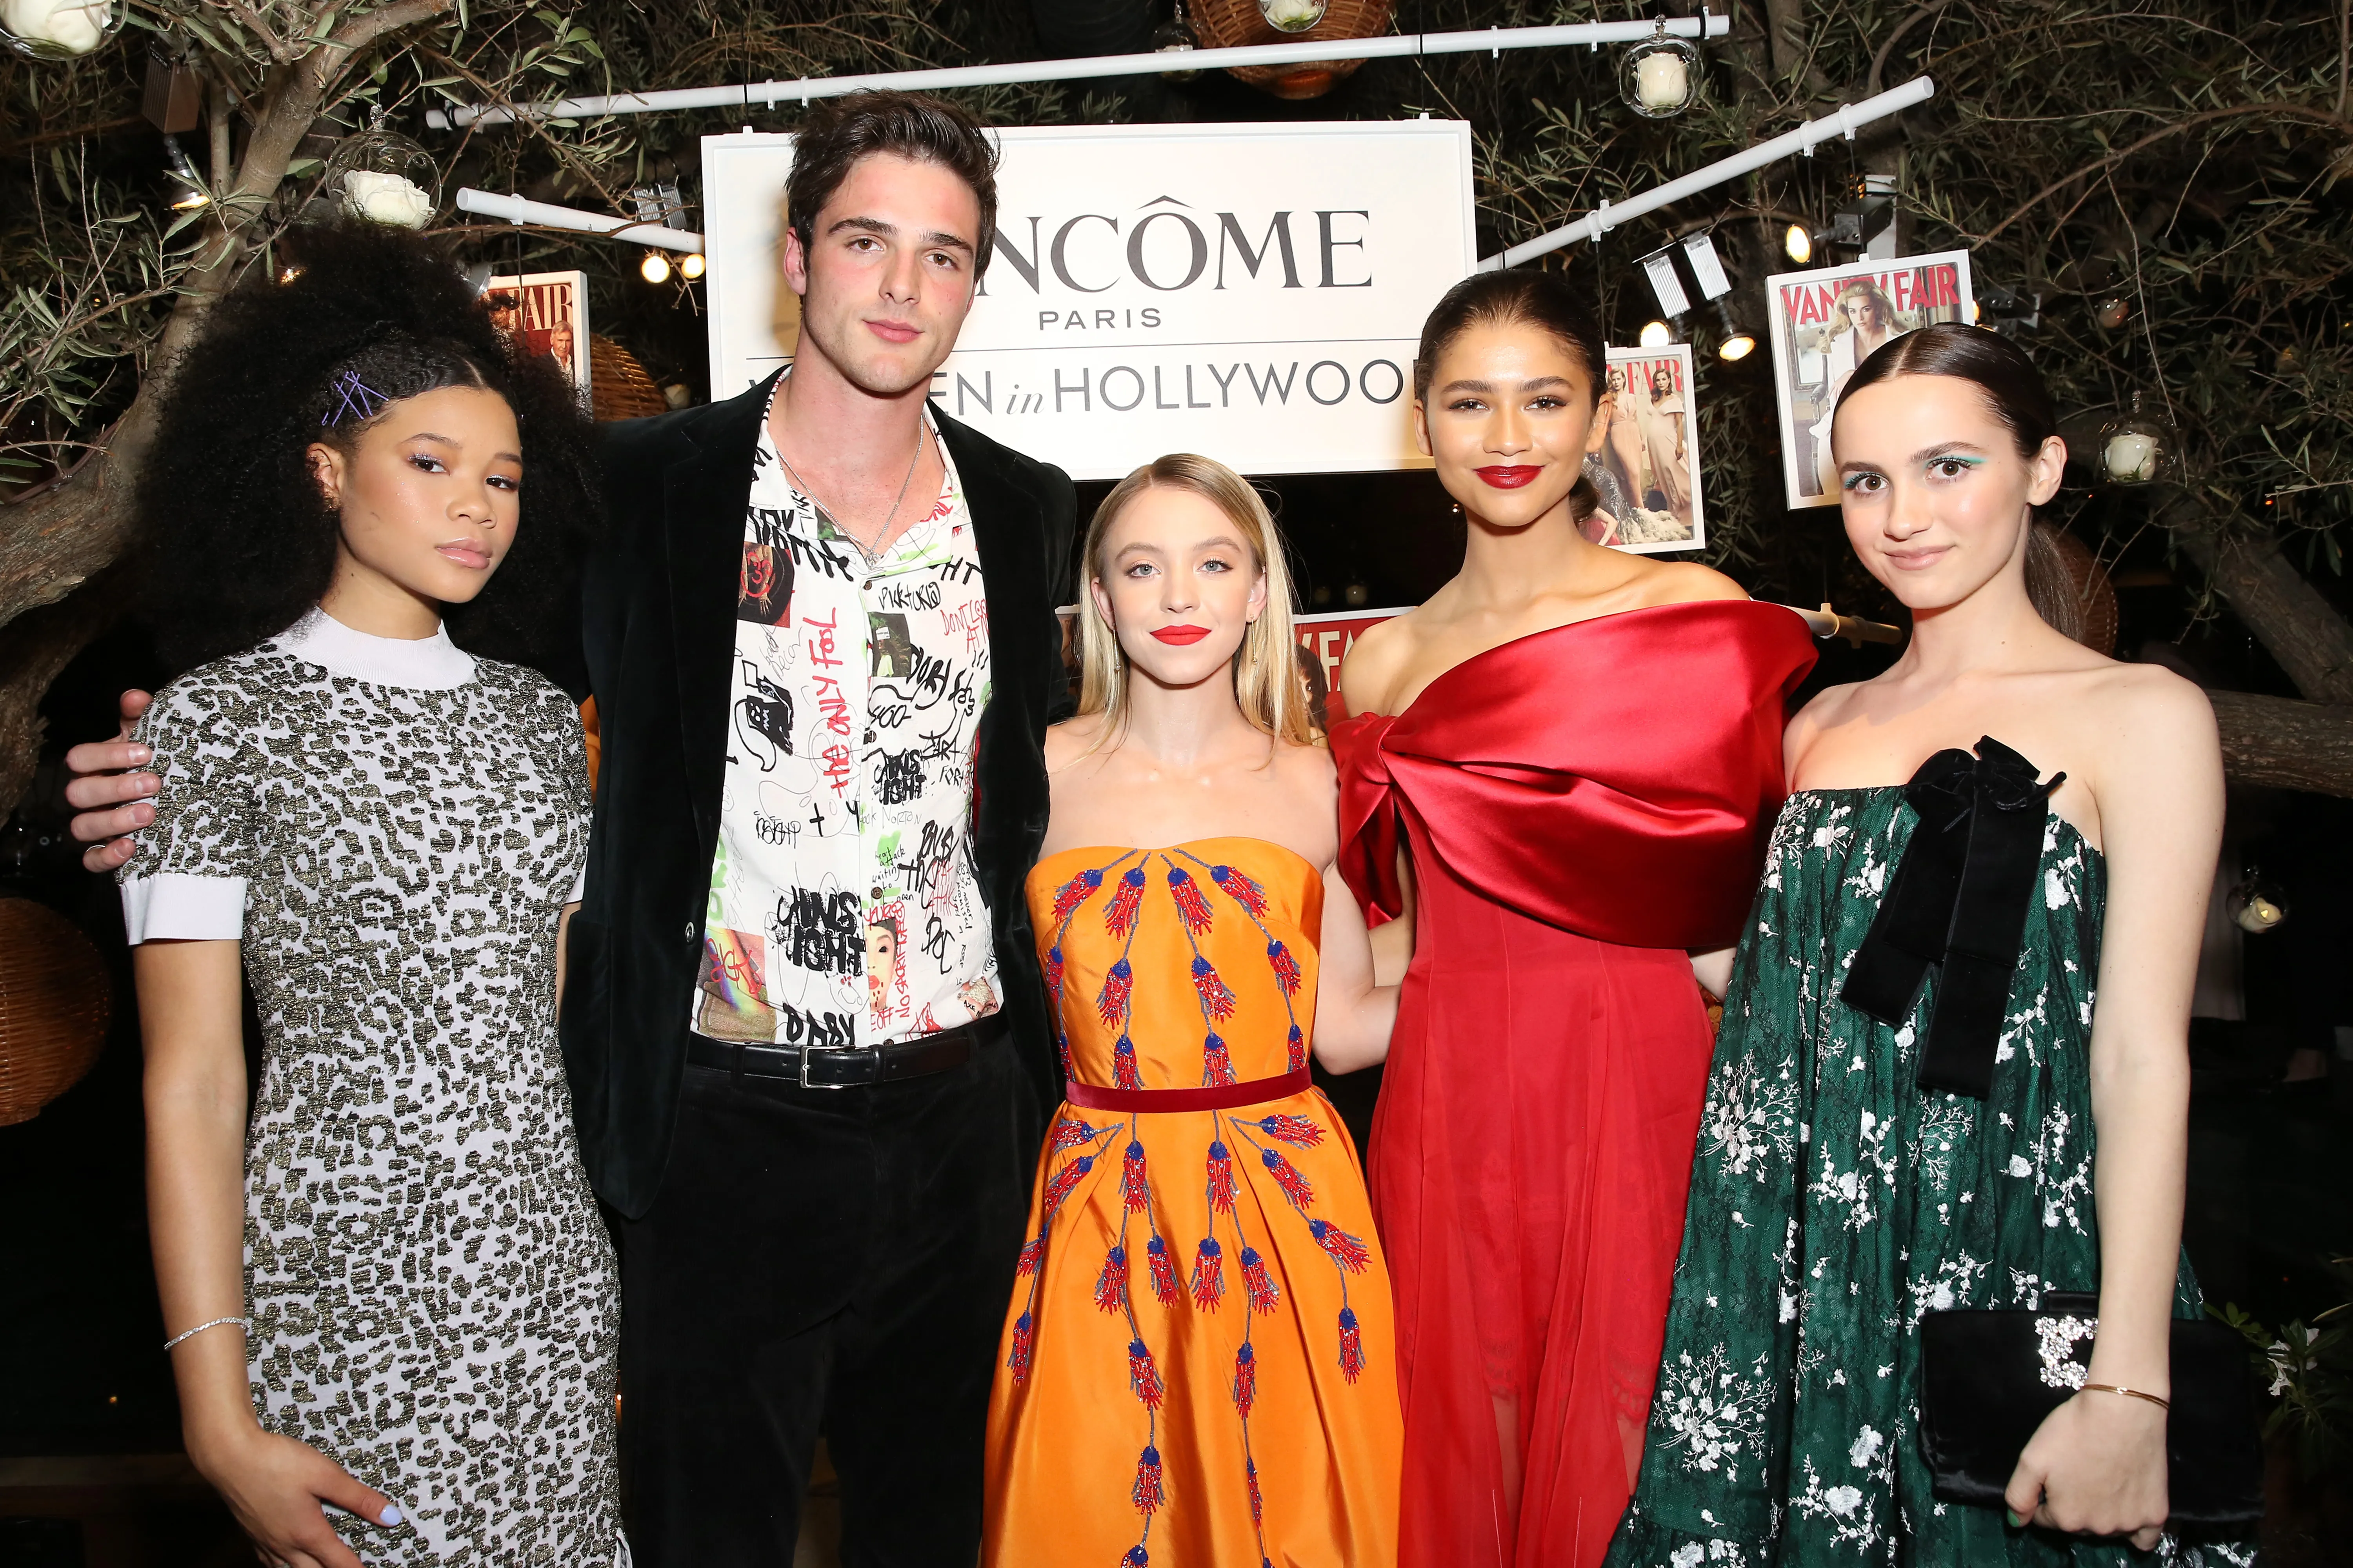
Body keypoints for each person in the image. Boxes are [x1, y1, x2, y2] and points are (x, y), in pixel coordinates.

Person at [68, 91, 1076, 1568]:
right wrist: (150, 753)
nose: (903, 285)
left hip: (959, 1124)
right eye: (867, 241)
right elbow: (399, 648)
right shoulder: (638, 488)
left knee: (939, 1533)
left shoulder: (1023, 506)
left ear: (974, 283)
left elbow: (1036, 794)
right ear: (799, 255)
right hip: (719, 1120)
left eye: (944, 254)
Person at [1606, 324, 2254, 1565]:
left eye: (1947, 466)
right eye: (1864, 481)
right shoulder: (1814, 725)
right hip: (1799, 1263)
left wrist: (2127, 1388)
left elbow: (2136, 1062)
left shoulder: (2141, 716)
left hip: (2013, 1252)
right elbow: (1778, 1004)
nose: (1901, 515)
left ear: (2044, 467)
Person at [116, 222, 617, 1567]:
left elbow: (544, 1034)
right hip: (331, 1299)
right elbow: (194, 1082)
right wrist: (217, 1420)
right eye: (432, 463)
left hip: (546, 1293)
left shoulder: (534, 723)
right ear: (327, 471)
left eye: (505, 476)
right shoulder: (213, 724)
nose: (477, 504)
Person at [1330, 269, 1817, 1568]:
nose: (1507, 437)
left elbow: (1749, 904)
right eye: (1471, 402)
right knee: (1467, 1427)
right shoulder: (1381, 661)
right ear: (1421, 424)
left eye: (1544, 399)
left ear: (1601, 416)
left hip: (1636, 1070)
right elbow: (1403, 928)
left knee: (1631, 1420)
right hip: (1450, 1088)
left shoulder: (1691, 614)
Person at [984, 455, 1403, 1568]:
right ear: (1102, 599)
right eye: (1144, 566)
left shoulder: (1325, 782)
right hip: (1098, 1198)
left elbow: (1347, 1024)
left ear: (1259, 591)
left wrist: (1534, 969)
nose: (1180, 597)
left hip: (1289, 1200)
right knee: (1096, 1506)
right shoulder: (1029, 774)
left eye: (1214, 563)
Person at [1809, 277, 1902, 496]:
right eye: (1852, 311)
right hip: (1851, 412)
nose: (1859, 318)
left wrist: (1854, 374)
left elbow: (1901, 382)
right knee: (1826, 447)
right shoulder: (1839, 343)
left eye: (1866, 309)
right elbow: (1836, 393)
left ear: (1878, 308)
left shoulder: (1898, 338)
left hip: (1892, 411)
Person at [1641, 363, 1691, 520]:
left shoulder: (1674, 400)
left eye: (1664, 379)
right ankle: (1672, 508)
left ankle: (1683, 510)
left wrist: (1679, 445)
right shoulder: (1655, 398)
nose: (1661, 382)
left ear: (1670, 381)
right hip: (1654, 444)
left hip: (1669, 441)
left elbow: (1679, 424)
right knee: (1662, 476)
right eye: (1658, 380)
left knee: (1673, 473)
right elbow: (1652, 421)